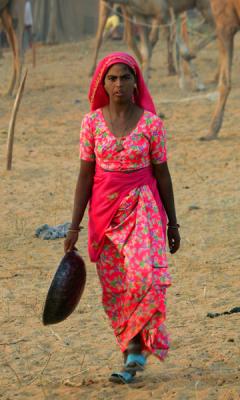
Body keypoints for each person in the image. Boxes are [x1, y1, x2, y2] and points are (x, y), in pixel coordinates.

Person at [64, 52, 180, 384]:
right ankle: (132, 353)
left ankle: (135, 350)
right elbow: (85, 176)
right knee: (115, 288)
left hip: (143, 205)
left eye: (125, 78)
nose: (118, 84)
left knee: (144, 276)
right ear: (102, 83)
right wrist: (74, 225)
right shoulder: (91, 124)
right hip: (104, 211)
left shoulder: (152, 125)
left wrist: (172, 223)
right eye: (112, 78)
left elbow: (164, 175)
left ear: (135, 83)